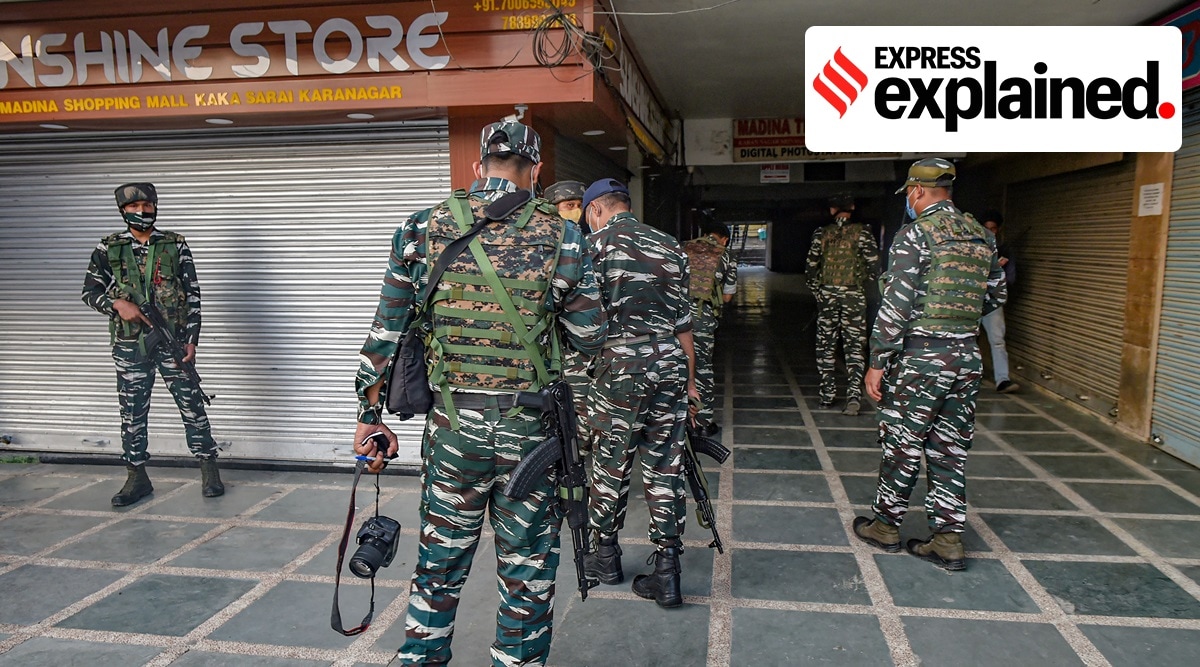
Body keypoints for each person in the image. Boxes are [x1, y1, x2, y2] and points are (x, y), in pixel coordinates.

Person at [352, 121, 606, 667]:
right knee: (529, 570)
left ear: (479, 166)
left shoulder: (420, 229)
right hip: (530, 437)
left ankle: (421, 656)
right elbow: (590, 339)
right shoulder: (565, 237)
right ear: (536, 170)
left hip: (452, 430)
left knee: (439, 560)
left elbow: (386, 331)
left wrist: (369, 416)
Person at [851, 158, 1006, 571]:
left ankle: (885, 526)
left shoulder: (915, 236)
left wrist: (878, 360)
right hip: (965, 359)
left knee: (901, 443)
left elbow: (896, 305)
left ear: (916, 191)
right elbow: (995, 296)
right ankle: (948, 538)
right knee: (950, 449)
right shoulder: (981, 237)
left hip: (921, 358)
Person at [580, 178, 697, 609]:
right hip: (669, 360)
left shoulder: (589, 249)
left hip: (618, 368)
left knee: (610, 464)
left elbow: (579, 326)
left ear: (596, 210)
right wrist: (690, 381)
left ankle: (606, 556)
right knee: (666, 465)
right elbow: (685, 326)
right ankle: (668, 572)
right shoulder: (669, 245)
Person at [81, 182, 223, 507]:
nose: (142, 212)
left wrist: (192, 340)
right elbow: (89, 291)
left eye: (147, 206)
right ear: (123, 211)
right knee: (132, 412)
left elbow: (193, 296)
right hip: (130, 345)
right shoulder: (109, 248)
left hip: (171, 340)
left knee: (191, 405)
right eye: (134, 207)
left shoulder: (175, 244)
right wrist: (117, 305)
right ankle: (136, 476)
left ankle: (208, 466)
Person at [806, 193, 880, 416]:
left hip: (827, 296)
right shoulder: (863, 233)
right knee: (855, 347)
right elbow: (875, 267)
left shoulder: (821, 234)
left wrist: (820, 293)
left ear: (831, 210)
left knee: (825, 346)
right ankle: (854, 397)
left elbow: (810, 268)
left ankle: (827, 394)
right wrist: (859, 287)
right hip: (853, 296)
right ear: (853, 207)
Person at [544, 180, 595, 454]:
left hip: (577, 349)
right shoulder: (544, 242)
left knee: (581, 409)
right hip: (546, 347)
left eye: (578, 206)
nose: (575, 212)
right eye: (568, 206)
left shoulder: (588, 243)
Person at [682, 216, 738, 436]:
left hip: (675, 318)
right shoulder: (726, 255)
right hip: (702, 319)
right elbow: (726, 297)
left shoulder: (682, 247)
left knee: (677, 366)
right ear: (724, 239)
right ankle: (702, 423)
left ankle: (676, 419)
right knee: (702, 368)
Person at [980, 211, 1020, 394]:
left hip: (992, 300)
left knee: (997, 340)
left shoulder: (1003, 249)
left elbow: (1010, 279)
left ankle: (1002, 379)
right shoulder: (973, 247)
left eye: (993, 228)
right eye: (987, 228)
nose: (990, 232)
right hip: (970, 300)